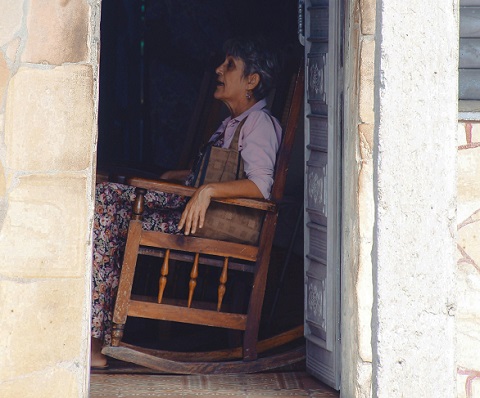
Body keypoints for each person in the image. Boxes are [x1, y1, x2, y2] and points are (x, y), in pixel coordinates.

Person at [90, 36, 282, 368]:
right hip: (194, 212)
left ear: (252, 81)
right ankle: (96, 335)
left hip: (218, 223)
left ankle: (97, 341)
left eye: (230, 65)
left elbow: (261, 186)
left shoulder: (259, 124)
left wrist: (206, 192)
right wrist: (178, 177)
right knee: (104, 196)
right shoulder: (232, 123)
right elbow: (209, 172)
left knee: (109, 209)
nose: (219, 70)